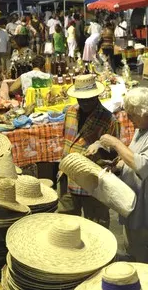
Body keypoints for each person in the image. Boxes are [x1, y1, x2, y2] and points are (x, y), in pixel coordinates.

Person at [98, 87, 148, 266]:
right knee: (133, 253)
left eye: (132, 114)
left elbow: (141, 165)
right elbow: (131, 156)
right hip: (133, 205)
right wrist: (117, 166)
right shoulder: (141, 130)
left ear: (143, 112)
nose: (129, 118)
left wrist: (115, 143)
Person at [58, 74, 120, 228]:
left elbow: (114, 155)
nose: (84, 103)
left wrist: (101, 145)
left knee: (96, 228)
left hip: (93, 184)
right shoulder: (71, 112)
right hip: (68, 178)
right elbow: (66, 139)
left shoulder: (109, 119)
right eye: (81, 99)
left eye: (88, 99)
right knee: (65, 226)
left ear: (96, 96)